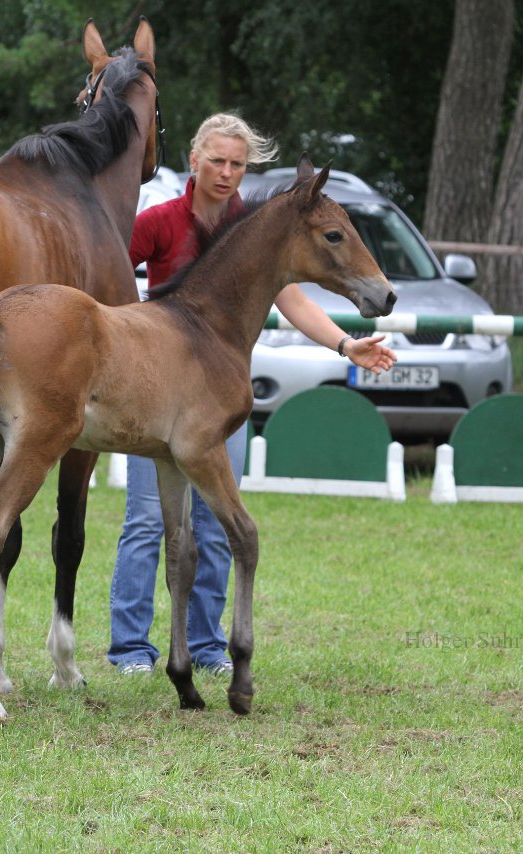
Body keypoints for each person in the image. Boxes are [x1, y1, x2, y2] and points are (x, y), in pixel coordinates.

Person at [108, 113, 397, 676]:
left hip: (215, 393)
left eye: (238, 163)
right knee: (147, 521)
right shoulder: (161, 220)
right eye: (217, 160)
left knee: (217, 521)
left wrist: (346, 345)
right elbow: (112, 275)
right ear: (193, 159)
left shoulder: (257, 226)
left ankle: (208, 644)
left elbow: (292, 300)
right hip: (154, 390)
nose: (227, 172)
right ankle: (130, 648)